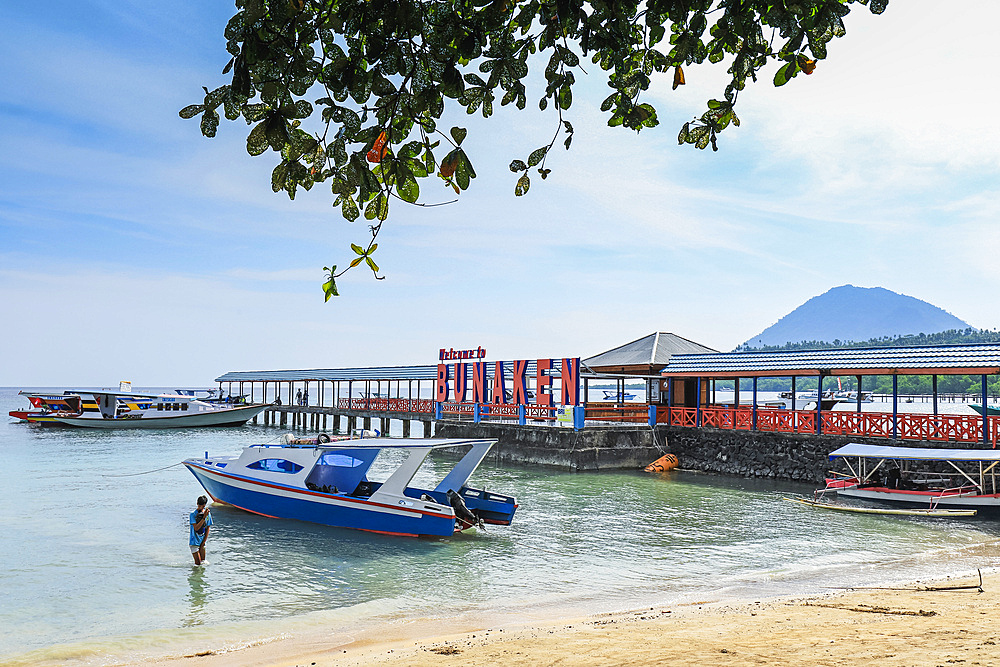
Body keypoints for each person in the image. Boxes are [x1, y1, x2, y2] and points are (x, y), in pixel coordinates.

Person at [189, 496, 213, 565]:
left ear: (204, 505)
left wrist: (204, 541)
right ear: (197, 503)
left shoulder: (208, 514)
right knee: (198, 564)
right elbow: (196, 528)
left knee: (203, 563)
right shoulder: (192, 514)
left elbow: (208, 527)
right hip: (194, 541)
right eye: (199, 506)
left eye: (201, 506)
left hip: (202, 541)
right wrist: (204, 517)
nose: (200, 508)